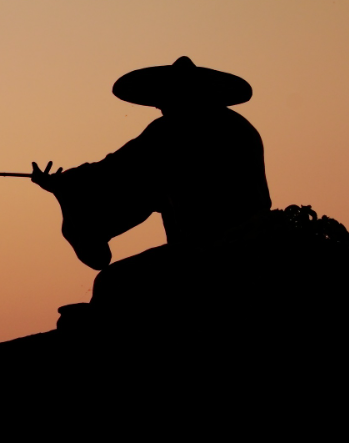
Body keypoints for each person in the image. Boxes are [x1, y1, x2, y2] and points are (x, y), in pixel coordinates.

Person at [32, 56, 272, 309]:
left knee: (112, 283)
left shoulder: (173, 128)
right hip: (252, 238)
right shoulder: (241, 126)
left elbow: (117, 168)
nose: (160, 106)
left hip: (215, 248)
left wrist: (65, 183)